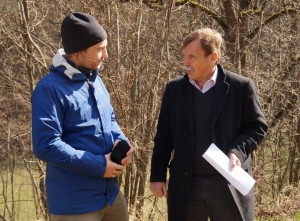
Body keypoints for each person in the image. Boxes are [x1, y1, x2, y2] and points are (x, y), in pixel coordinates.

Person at [150, 28, 268, 221]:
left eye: (192, 57)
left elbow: (257, 127)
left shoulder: (241, 87)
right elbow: (164, 134)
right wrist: (157, 175)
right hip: (187, 185)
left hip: (229, 184)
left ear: (213, 57)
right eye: (184, 56)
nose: (185, 63)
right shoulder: (174, 89)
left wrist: (237, 151)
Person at [31, 12, 134, 221]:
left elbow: (110, 119)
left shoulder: (95, 80)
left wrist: (122, 141)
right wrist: (99, 166)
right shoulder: (48, 89)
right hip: (75, 204)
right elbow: (46, 145)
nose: (105, 55)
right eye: (99, 49)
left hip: (111, 197)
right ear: (77, 51)